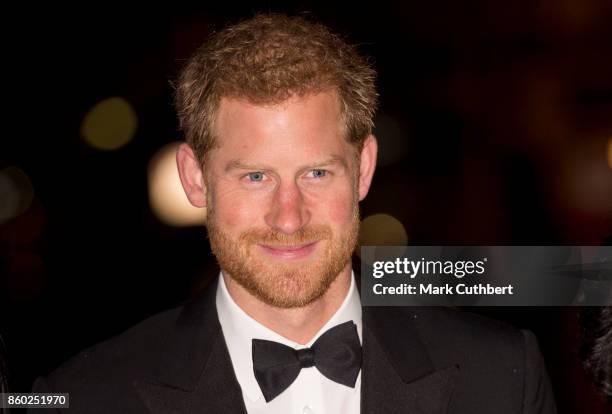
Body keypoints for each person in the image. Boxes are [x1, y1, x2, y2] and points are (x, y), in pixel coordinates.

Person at [31, 13, 557, 413]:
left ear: (364, 168)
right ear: (195, 179)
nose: (289, 218)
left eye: (317, 173)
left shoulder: (504, 378)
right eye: (255, 177)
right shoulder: (83, 395)